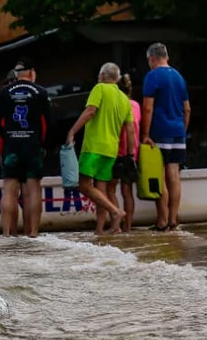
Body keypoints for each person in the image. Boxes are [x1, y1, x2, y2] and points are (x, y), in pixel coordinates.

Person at [65, 62, 135, 235]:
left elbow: (90, 111)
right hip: (111, 150)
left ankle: (115, 211)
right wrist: (129, 154)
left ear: (102, 76)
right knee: (101, 190)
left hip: (94, 148)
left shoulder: (99, 88)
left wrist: (72, 131)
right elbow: (130, 130)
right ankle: (102, 229)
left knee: (83, 185)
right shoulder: (124, 99)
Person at [0, 59, 52, 237]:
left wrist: (7, 136)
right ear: (32, 72)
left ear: (16, 74)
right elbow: (50, 123)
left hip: (12, 145)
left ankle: (6, 233)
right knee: (33, 190)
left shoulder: (4, 92)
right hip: (33, 144)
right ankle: (33, 233)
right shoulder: (41, 92)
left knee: (9, 189)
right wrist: (43, 143)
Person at [141, 42, 191, 231]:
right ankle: (173, 219)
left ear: (152, 58)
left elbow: (147, 107)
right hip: (178, 131)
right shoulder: (179, 77)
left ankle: (162, 220)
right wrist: (182, 130)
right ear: (167, 57)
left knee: (159, 176)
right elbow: (187, 109)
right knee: (174, 175)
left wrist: (145, 134)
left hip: (160, 131)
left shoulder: (152, 76)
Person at [104, 74, 141, 233]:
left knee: (110, 189)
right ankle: (128, 227)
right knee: (127, 191)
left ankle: (116, 225)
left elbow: (126, 130)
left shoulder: (118, 104)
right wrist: (131, 154)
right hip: (133, 152)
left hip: (117, 151)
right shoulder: (136, 105)